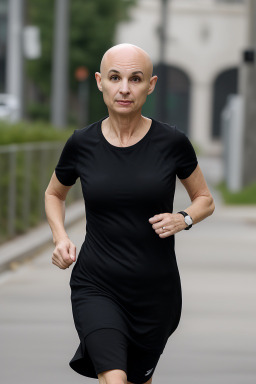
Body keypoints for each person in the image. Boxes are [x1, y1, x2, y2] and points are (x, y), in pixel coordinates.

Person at [45, 43, 215, 384]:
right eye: (115, 78)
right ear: (100, 82)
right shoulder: (82, 143)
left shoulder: (172, 142)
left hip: (155, 292)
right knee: (115, 378)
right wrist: (60, 238)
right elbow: (54, 194)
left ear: (150, 85)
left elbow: (204, 199)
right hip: (96, 285)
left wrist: (183, 218)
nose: (124, 88)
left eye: (135, 79)